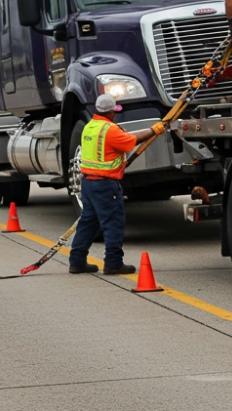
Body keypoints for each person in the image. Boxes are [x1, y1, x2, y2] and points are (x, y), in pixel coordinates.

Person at [69, 94, 165, 275]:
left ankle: (77, 261)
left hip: (88, 183)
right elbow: (131, 141)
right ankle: (113, 263)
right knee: (114, 223)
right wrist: (154, 130)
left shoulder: (90, 127)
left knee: (88, 223)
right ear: (112, 112)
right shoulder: (109, 130)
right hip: (104, 185)